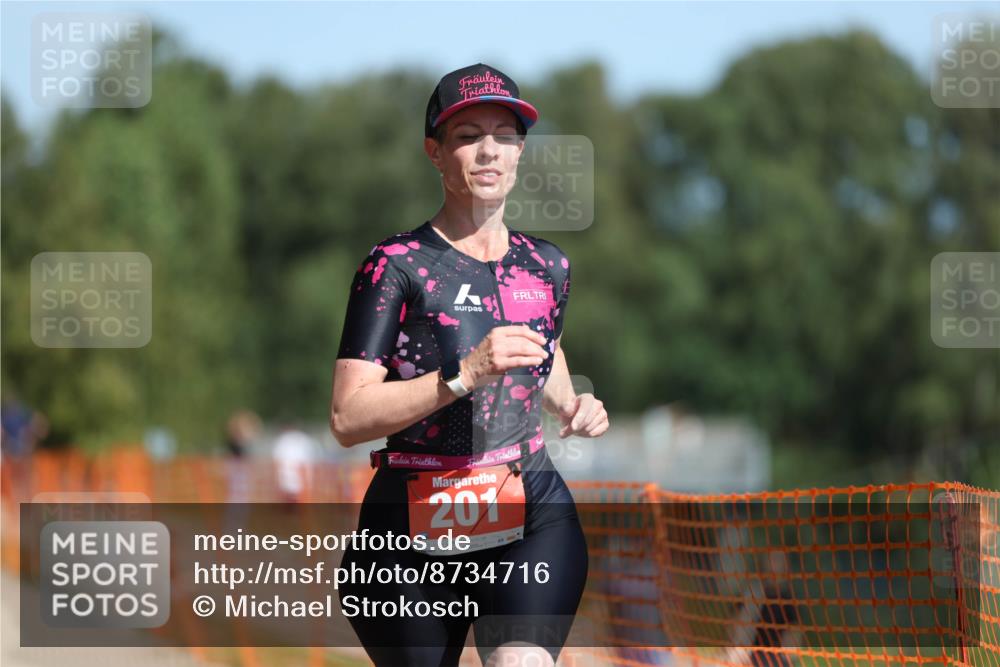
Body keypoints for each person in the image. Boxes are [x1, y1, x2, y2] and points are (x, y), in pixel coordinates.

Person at [330, 63, 609, 667]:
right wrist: (465, 374)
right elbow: (348, 418)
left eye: (504, 136)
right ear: (434, 151)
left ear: (519, 152)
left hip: (530, 508)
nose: (488, 151)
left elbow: (545, 349)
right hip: (408, 530)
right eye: (467, 136)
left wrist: (572, 403)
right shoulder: (394, 265)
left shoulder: (548, 266)